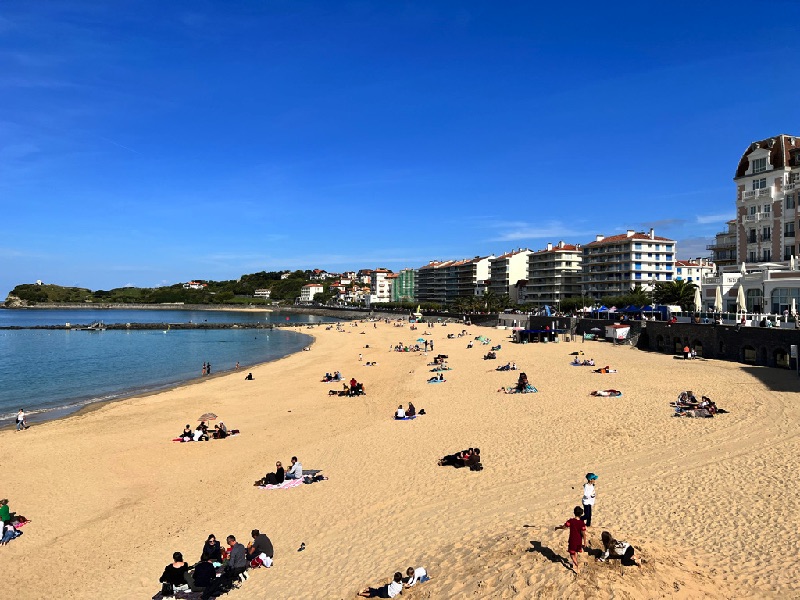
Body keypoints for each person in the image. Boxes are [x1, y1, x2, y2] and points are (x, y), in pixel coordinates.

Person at [555, 506, 587, 574]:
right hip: (579, 541)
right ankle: (574, 564)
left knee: (572, 554)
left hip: (572, 540)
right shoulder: (582, 523)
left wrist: (558, 527)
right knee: (576, 552)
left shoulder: (571, 521)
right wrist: (585, 542)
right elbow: (583, 534)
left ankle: (576, 565)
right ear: (581, 514)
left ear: (574, 513)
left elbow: (564, 527)